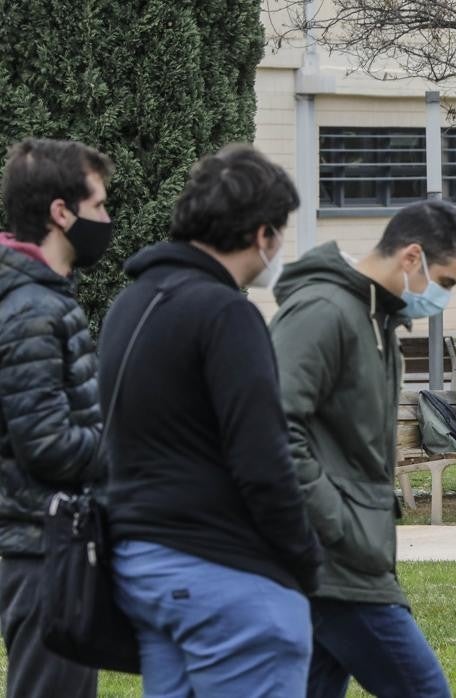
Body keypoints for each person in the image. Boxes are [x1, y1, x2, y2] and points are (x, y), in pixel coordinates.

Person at [100, 145, 323, 695]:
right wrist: (304, 561)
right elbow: (263, 459)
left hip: (143, 566)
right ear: (262, 233)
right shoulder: (227, 314)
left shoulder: (131, 304)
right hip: (222, 571)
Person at [271, 199, 456, 698]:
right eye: (444, 282)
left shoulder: (374, 318)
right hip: (334, 559)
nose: (442, 297)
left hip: (344, 554)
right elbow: (271, 428)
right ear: (411, 257)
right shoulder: (324, 311)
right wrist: (336, 521)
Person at [0, 138, 115, 698]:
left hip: (50, 544)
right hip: (41, 551)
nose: (107, 221)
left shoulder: (43, 297)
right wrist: (127, 445)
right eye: (99, 206)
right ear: (61, 213)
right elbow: (46, 443)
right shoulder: (31, 310)